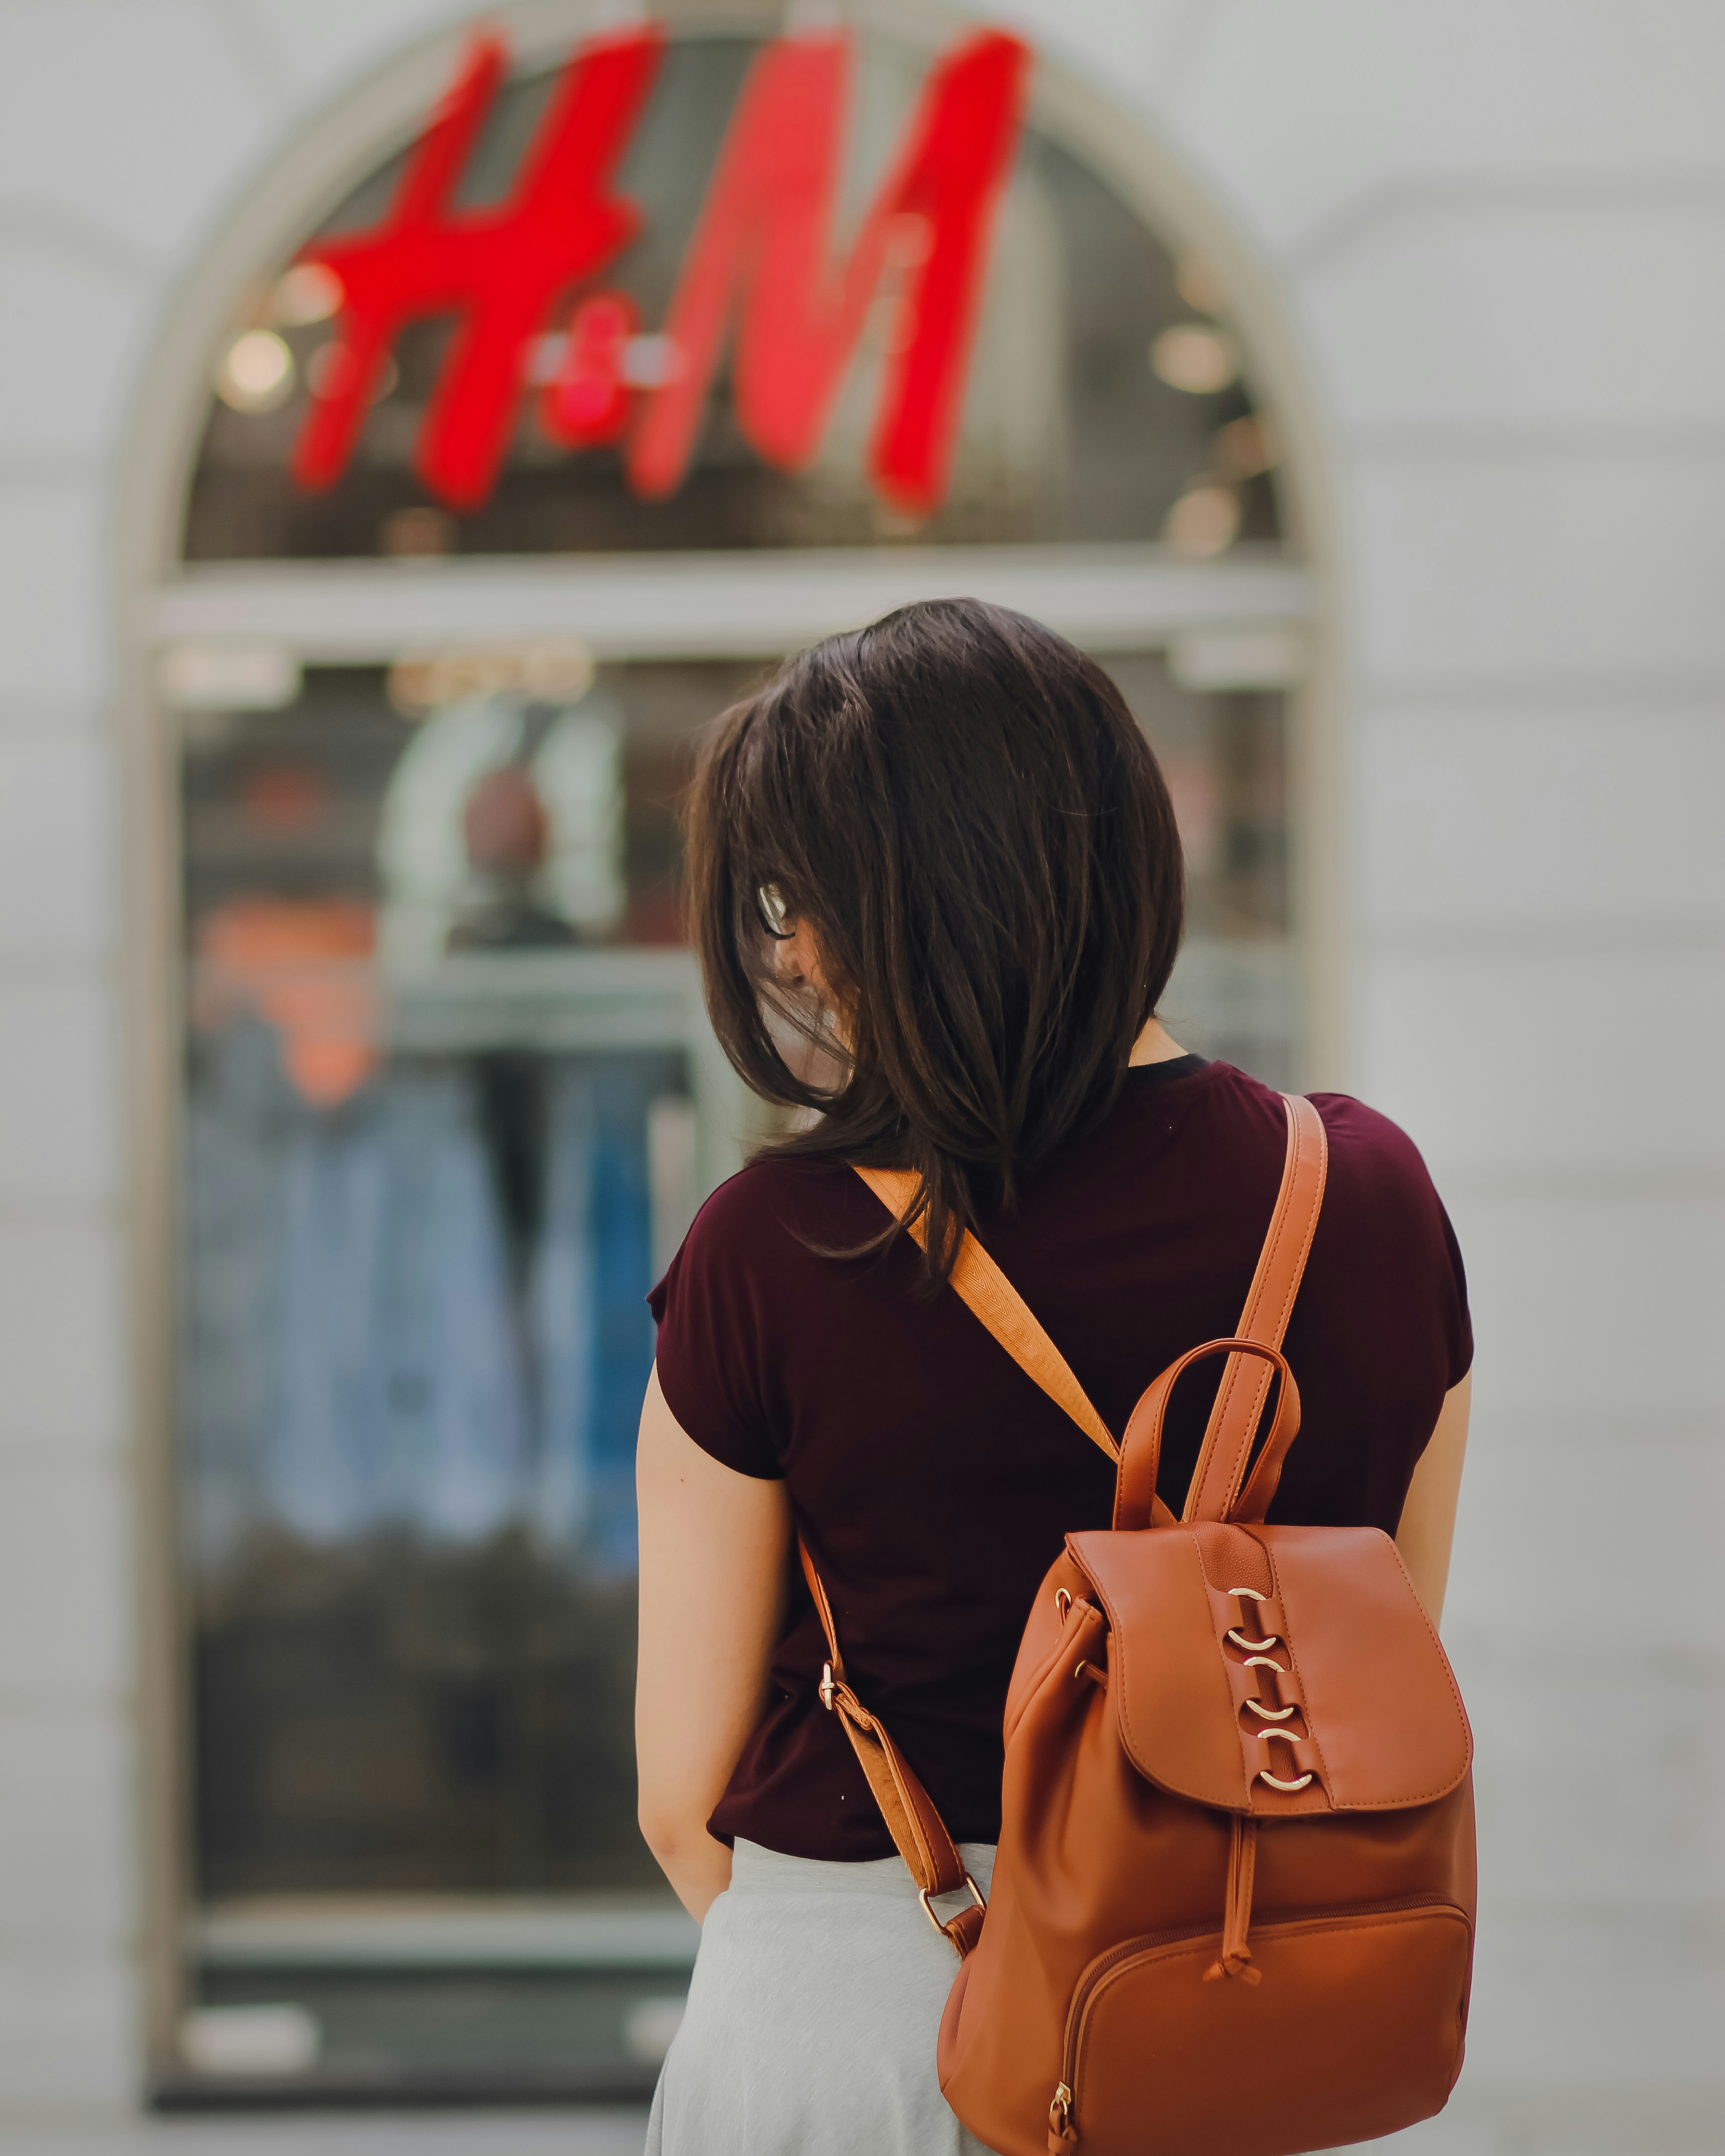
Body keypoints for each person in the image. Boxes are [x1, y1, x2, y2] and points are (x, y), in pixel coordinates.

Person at [635, 598, 1471, 2156]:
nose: (790, 949)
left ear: (912, 904)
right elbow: (1371, 1649)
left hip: (874, 2014)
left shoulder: (776, 1246)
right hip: (1233, 2012)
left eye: (798, 898)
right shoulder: (1367, 1199)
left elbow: (678, 1804)